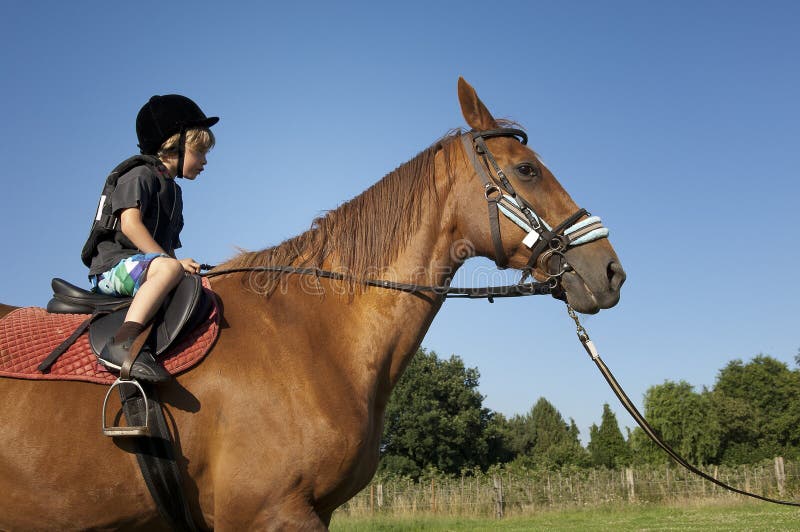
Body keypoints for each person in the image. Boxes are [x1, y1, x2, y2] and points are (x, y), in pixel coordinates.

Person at [84, 95, 218, 382]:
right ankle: (123, 342)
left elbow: (166, 251)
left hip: (147, 267)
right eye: (199, 151)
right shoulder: (139, 175)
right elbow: (131, 225)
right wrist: (171, 264)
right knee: (170, 268)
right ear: (173, 145)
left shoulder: (173, 192)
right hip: (113, 268)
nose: (205, 160)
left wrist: (178, 266)